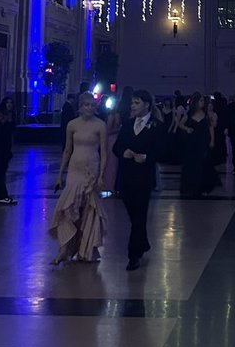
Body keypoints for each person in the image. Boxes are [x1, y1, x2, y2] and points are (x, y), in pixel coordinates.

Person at [49, 93, 107, 265]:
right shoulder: (72, 125)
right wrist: (60, 174)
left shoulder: (100, 125)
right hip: (75, 168)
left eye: (92, 105)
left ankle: (86, 249)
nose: (90, 108)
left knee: (89, 208)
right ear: (80, 106)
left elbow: (103, 152)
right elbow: (67, 150)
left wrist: (102, 174)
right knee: (68, 206)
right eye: (86, 105)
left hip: (92, 169)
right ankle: (64, 250)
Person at [114, 90, 163, 269]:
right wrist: (123, 152)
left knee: (139, 215)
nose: (133, 106)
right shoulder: (127, 124)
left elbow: (163, 151)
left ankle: (133, 255)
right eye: (132, 103)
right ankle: (143, 243)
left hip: (143, 178)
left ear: (146, 105)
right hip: (127, 176)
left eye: (136, 103)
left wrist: (147, 158)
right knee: (133, 214)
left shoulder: (156, 126)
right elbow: (117, 146)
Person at [178, 93, 212, 198]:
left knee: (202, 164)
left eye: (203, 101)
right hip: (192, 142)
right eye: (200, 101)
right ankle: (190, 186)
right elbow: (180, 124)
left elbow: (211, 128)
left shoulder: (206, 114)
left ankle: (202, 186)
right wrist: (187, 129)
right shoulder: (189, 114)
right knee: (191, 164)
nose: (202, 103)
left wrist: (212, 140)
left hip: (203, 141)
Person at [0, 96, 17, 205]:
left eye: (11, 102)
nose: (9, 105)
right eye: (7, 103)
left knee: (2, 170)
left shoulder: (12, 116)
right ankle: (1, 194)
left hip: (6, 146)